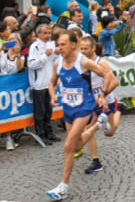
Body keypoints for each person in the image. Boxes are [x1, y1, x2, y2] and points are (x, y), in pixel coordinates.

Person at [46, 31, 117, 200]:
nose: (60, 48)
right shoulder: (58, 63)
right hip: (68, 108)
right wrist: (53, 95)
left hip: (84, 107)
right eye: (58, 45)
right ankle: (99, 124)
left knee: (68, 146)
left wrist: (102, 95)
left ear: (72, 45)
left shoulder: (83, 61)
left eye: (63, 44)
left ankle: (63, 187)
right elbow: (51, 82)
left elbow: (107, 74)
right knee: (76, 147)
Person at [79, 37, 121, 174]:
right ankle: (95, 161)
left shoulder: (101, 62)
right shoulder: (82, 63)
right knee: (87, 128)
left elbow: (114, 82)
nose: (83, 51)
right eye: (81, 48)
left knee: (109, 132)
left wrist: (102, 95)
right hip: (91, 103)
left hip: (106, 101)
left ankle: (119, 110)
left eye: (86, 48)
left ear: (93, 48)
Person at [27, 24, 60, 145]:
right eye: (45, 33)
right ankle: (40, 134)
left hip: (50, 83)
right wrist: (45, 55)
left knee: (48, 110)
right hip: (39, 83)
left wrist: (55, 53)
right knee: (40, 111)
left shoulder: (51, 44)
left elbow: (54, 60)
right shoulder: (34, 47)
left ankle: (49, 133)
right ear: (38, 34)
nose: (47, 35)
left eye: (49, 33)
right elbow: (32, 64)